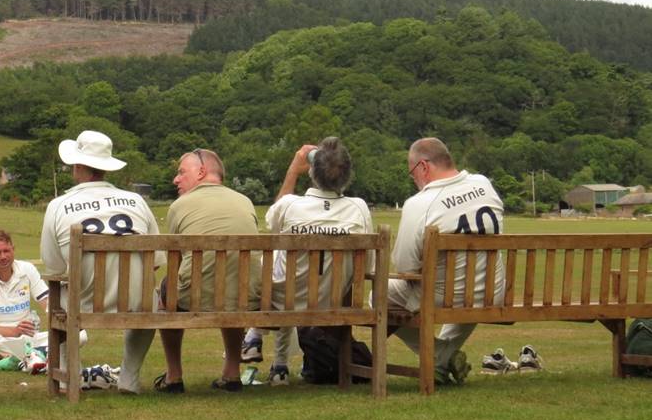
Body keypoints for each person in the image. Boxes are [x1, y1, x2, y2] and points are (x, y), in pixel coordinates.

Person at [40, 130, 161, 393]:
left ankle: (66, 375)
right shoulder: (137, 201)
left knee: (56, 294)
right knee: (151, 301)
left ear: (79, 166)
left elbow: (55, 268)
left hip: (81, 301)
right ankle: (128, 377)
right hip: (137, 302)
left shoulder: (59, 205)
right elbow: (156, 261)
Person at [250, 139, 374, 384]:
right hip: (332, 301)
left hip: (283, 301)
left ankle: (254, 337)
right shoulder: (358, 208)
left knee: (277, 261)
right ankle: (277, 363)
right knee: (284, 267)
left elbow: (271, 223)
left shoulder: (290, 205)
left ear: (312, 171)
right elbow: (367, 266)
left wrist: (292, 171)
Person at [389, 137, 505, 385]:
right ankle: (442, 362)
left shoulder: (420, 203)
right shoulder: (483, 184)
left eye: (412, 174)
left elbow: (404, 267)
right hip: (490, 291)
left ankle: (441, 355)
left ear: (423, 167)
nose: (415, 181)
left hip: (445, 295)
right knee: (470, 290)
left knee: (379, 294)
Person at [156, 148, 261, 393]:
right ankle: (232, 372)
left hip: (193, 298)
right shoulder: (245, 202)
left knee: (166, 287)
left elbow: (177, 260)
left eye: (181, 172)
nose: (176, 179)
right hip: (247, 297)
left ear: (202, 171)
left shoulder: (179, 206)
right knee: (234, 283)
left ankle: (174, 375)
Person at [0, 228, 51, 373]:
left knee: (80, 335)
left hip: (27, 337)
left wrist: (59, 328)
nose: (3, 256)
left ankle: (20, 357)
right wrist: (12, 331)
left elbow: (48, 304)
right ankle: (36, 355)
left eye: (6, 251)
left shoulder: (27, 269)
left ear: (13, 249)